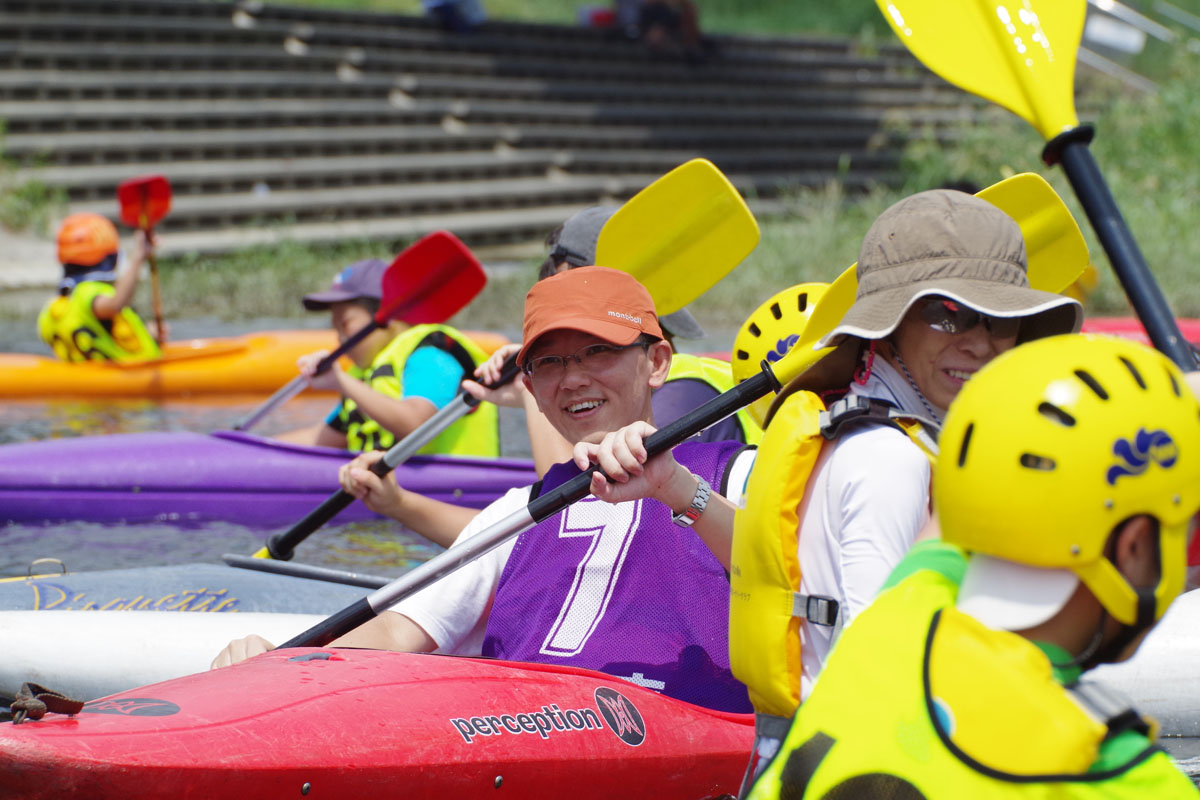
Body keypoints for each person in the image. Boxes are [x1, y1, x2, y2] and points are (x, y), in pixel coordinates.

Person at [214, 266, 756, 714]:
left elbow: (789, 579)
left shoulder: (737, 474)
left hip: (681, 735)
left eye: (597, 352)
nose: (572, 380)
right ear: (533, 392)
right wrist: (283, 666)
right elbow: (401, 634)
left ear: (656, 362)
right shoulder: (516, 511)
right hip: (514, 738)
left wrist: (680, 491)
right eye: (549, 362)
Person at [748, 333, 1200, 798]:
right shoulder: (1121, 779)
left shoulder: (898, 618)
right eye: (1185, 529)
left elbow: (970, 497)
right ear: (1134, 548)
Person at [742, 189, 1082, 704]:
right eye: (948, 315)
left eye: (1002, 319)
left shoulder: (869, 429)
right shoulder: (887, 459)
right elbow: (875, 667)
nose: (980, 343)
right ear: (889, 327)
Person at [476, 205, 757, 478]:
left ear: (658, 362)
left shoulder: (681, 394)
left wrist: (535, 388)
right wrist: (540, 376)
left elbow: (572, 506)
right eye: (552, 356)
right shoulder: (653, 385)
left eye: (597, 350)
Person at [275, 258, 498, 457]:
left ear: (387, 315)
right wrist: (247, 448)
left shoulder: (431, 355)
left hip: (456, 492)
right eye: (336, 328)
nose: (340, 339)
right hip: (391, 495)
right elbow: (318, 440)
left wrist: (341, 382)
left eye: (346, 324)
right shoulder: (363, 377)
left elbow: (415, 426)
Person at [38, 212, 162, 362]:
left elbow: (99, 339)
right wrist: (139, 256)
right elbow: (116, 304)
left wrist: (149, 334)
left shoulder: (56, 306)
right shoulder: (88, 294)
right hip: (120, 380)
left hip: (87, 378)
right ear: (110, 257)